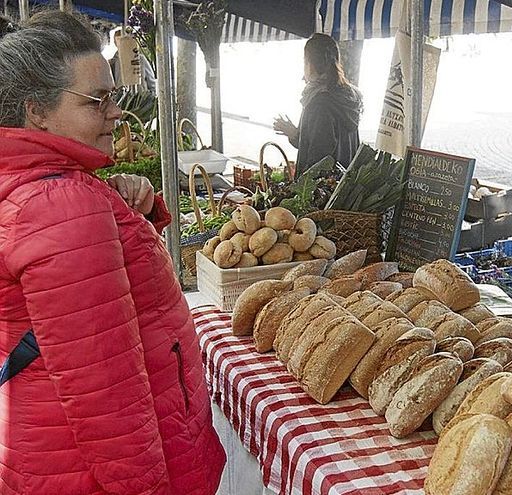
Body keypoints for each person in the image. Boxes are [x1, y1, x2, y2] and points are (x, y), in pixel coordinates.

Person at [0, 11, 225, 494]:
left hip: (50, 450)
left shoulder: (42, 187)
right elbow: (109, 400)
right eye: (96, 101)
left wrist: (128, 215)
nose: (115, 113)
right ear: (36, 111)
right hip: (95, 469)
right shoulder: (60, 205)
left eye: (113, 96)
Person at [274, 33, 363, 178]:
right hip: (342, 189)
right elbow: (325, 145)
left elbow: (318, 161)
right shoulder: (348, 96)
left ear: (311, 65)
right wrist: (296, 135)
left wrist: (299, 191)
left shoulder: (320, 103)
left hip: (323, 194)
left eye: (305, 62)